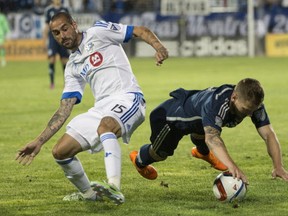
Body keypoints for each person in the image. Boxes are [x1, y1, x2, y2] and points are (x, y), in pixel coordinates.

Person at [15, 12, 168, 205]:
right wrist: (39, 141)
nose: (62, 35)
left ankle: (114, 187)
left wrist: (158, 46)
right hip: (101, 108)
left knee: (105, 126)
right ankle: (90, 195)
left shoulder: (98, 32)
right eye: (56, 33)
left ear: (74, 25)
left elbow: (139, 31)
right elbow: (64, 109)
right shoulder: (72, 66)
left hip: (128, 98)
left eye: (64, 29)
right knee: (60, 152)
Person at [130, 78, 288, 184]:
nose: (250, 114)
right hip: (170, 119)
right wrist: (233, 167)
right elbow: (212, 139)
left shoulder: (253, 105)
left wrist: (278, 166)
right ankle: (139, 160)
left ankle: (201, 153)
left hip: (197, 122)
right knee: (159, 154)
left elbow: (269, 134)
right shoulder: (217, 105)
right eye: (246, 110)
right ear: (234, 97)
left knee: (203, 129)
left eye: (253, 110)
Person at [43, 0, 70, 89]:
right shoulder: (48, 10)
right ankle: (52, 83)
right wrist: (44, 40)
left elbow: (69, 24)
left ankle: (67, 83)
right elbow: (47, 26)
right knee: (52, 60)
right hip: (52, 39)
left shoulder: (65, 9)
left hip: (63, 39)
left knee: (64, 61)